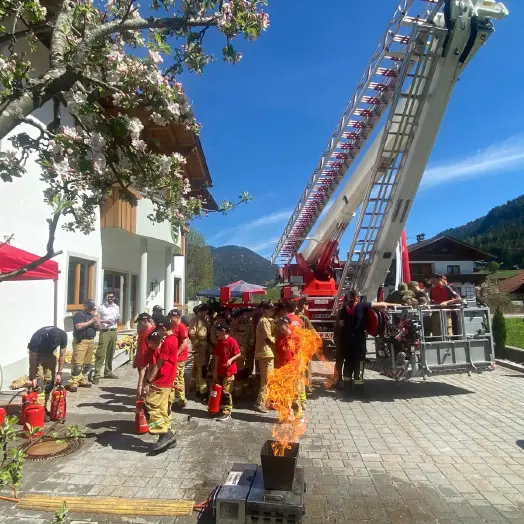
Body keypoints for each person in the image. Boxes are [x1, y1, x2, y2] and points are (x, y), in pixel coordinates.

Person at [339, 290, 396, 388]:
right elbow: (380, 304)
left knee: (348, 361)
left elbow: (341, 325)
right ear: (357, 297)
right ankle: (358, 389)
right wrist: (395, 304)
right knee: (359, 361)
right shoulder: (362, 306)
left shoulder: (344, 309)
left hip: (346, 340)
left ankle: (347, 387)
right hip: (358, 339)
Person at [142, 329, 178, 452]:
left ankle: (164, 433)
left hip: (159, 383)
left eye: (152, 343)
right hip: (167, 383)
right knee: (162, 410)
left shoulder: (156, 353)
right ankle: (169, 438)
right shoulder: (162, 349)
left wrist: (146, 383)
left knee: (150, 407)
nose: (151, 345)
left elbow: (152, 369)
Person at [28, 326, 67, 416]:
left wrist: (59, 373)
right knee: (39, 384)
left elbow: (62, 354)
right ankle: (38, 411)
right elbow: (32, 358)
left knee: (50, 383)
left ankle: (43, 407)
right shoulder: (38, 338)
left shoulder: (62, 335)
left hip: (50, 355)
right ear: (47, 336)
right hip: (37, 356)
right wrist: (33, 377)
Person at [212, 323, 241, 421]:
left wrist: (231, 360)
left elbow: (238, 353)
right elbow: (216, 358)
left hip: (229, 371)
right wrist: (215, 371)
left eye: (218, 331)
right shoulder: (220, 342)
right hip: (220, 370)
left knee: (226, 392)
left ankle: (227, 411)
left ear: (223, 331)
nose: (216, 332)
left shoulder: (232, 341)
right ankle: (220, 408)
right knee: (220, 390)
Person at [69, 300, 99, 392]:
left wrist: (97, 324)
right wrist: (91, 321)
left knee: (87, 363)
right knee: (78, 363)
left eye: (92, 307)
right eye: (90, 307)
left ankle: (82, 379)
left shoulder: (92, 315)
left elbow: (96, 328)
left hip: (91, 340)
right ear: (85, 306)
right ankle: (74, 382)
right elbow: (79, 326)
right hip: (81, 341)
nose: (91, 309)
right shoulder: (79, 315)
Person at [254, 302, 276, 413]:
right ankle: (259, 402)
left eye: (273, 310)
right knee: (266, 380)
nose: (273, 311)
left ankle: (267, 402)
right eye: (271, 310)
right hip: (265, 353)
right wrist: (277, 342)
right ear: (265, 310)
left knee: (269, 379)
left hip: (267, 353)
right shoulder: (264, 322)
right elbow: (268, 338)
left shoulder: (267, 320)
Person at [94, 292, 120, 384]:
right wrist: (105, 321)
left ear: (114, 297)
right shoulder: (101, 307)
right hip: (104, 331)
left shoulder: (116, 307)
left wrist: (117, 320)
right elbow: (96, 319)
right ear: (106, 297)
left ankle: (108, 372)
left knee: (111, 352)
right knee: (101, 353)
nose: (110, 298)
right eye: (108, 297)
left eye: (112, 297)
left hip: (113, 330)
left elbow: (118, 317)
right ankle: (96, 374)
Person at [169, 309, 189, 408]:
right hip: (173, 356)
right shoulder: (173, 325)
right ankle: (174, 398)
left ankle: (181, 400)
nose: (170, 319)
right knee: (173, 377)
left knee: (178, 378)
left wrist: (176, 354)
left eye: (172, 318)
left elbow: (184, 343)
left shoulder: (182, 327)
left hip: (180, 357)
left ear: (177, 317)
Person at [189, 304, 209, 398]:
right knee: (202, 369)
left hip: (204, 348)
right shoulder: (195, 320)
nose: (206, 313)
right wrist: (197, 343)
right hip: (199, 349)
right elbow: (191, 333)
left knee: (201, 369)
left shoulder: (204, 320)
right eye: (205, 311)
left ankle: (198, 389)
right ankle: (203, 391)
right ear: (201, 311)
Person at [134, 312, 156, 398]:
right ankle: (142, 403)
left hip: (148, 364)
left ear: (145, 321)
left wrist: (148, 364)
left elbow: (153, 350)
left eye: (140, 322)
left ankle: (144, 403)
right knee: (142, 383)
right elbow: (139, 346)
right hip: (141, 362)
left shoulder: (153, 332)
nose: (139, 325)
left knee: (145, 385)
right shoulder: (142, 332)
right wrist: (136, 359)